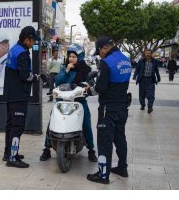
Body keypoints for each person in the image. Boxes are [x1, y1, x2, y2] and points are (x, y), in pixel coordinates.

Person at [39, 43, 98, 162]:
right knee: (52, 121)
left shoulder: (85, 69)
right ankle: (47, 148)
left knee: (86, 122)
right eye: (70, 56)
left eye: (74, 56)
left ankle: (91, 150)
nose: (71, 59)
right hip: (62, 101)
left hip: (79, 101)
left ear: (80, 57)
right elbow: (58, 81)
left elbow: (91, 81)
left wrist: (88, 85)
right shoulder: (64, 68)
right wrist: (66, 70)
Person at [86, 37, 132, 184]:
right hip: (122, 106)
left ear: (105, 47)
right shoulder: (125, 60)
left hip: (108, 108)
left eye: (100, 51)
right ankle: (122, 168)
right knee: (120, 137)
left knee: (104, 140)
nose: (100, 55)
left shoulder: (107, 63)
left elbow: (100, 88)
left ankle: (103, 174)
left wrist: (89, 90)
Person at [3, 26, 40, 168]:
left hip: (11, 94)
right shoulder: (23, 53)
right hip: (19, 95)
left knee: (11, 125)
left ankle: (8, 153)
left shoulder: (13, 49)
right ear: (26, 39)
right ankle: (12, 158)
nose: (33, 44)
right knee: (17, 126)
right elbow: (25, 76)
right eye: (32, 41)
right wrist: (37, 77)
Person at [133, 49, 161, 113]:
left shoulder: (155, 61)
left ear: (151, 54)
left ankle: (150, 107)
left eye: (149, 53)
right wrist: (134, 76)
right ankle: (143, 105)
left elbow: (156, 70)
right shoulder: (141, 61)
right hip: (142, 80)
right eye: (146, 53)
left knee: (151, 94)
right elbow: (137, 69)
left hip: (151, 80)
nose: (148, 54)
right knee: (142, 95)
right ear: (145, 54)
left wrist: (158, 78)